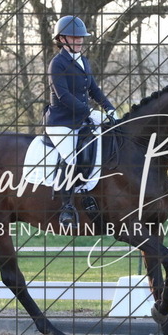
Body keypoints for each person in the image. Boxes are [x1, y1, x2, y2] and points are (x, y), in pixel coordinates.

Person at [44, 15, 118, 228]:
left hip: (81, 120)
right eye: (74, 37)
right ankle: (66, 208)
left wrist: (109, 108)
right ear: (62, 39)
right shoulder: (57, 63)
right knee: (71, 158)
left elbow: (93, 89)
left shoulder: (83, 61)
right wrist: (90, 112)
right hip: (61, 122)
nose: (79, 41)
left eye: (81, 37)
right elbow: (64, 96)